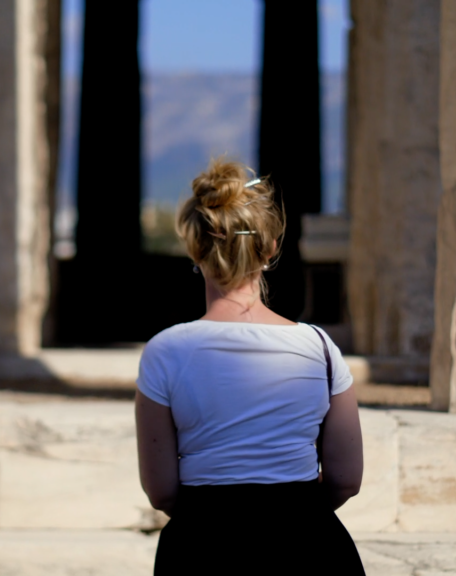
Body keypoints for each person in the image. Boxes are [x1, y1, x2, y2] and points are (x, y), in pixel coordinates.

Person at [135, 159, 365, 575]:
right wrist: (288, 514)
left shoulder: (164, 351)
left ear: (194, 247)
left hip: (203, 546)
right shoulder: (319, 347)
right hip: (309, 545)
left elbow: (163, 491)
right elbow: (346, 479)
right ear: (272, 247)